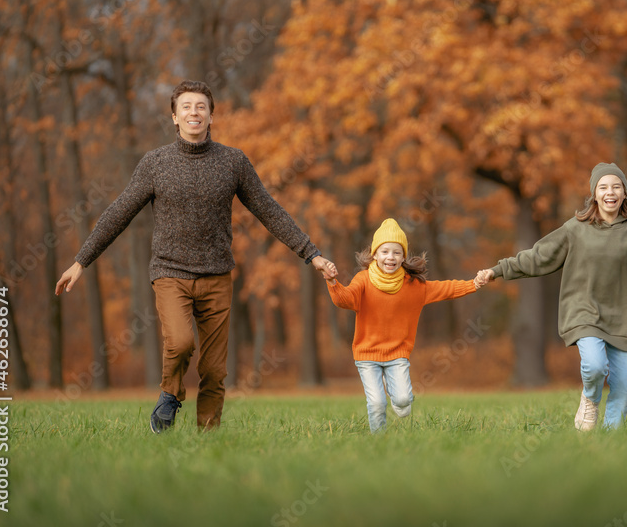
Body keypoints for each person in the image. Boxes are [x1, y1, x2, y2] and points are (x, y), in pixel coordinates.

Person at [55, 80, 334, 433]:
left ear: (211, 116)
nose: (194, 113)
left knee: (215, 371)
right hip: (170, 272)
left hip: (217, 275)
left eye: (201, 106)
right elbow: (119, 212)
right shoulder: (155, 164)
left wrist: (312, 254)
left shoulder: (233, 162)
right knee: (181, 342)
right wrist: (81, 260)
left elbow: (269, 209)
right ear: (174, 117)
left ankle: (206, 441)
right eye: (186, 107)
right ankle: (170, 395)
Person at [477, 163, 627, 431]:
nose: (610, 192)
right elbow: (538, 256)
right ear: (594, 194)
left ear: (624, 193)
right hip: (584, 312)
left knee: (623, 388)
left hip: (624, 318)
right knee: (595, 365)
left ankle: (609, 443)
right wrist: (498, 270)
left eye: (616, 186)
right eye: (603, 187)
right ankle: (590, 399)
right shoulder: (575, 229)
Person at [321, 218, 483, 433]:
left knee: (404, 401)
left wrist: (474, 283)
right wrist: (333, 282)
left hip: (398, 355)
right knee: (377, 403)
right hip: (366, 354)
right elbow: (345, 299)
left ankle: (401, 404)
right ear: (375, 254)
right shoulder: (363, 280)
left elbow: (447, 288)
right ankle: (379, 442)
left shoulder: (414, 285)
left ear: (403, 257)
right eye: (385, 251)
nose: (391, 257)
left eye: (397, 252)